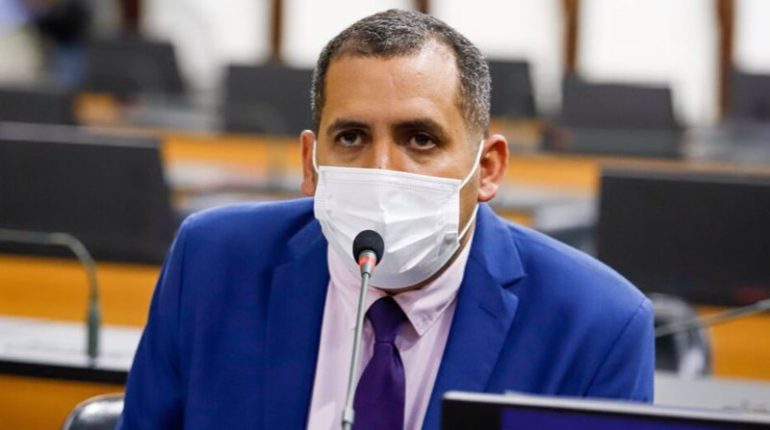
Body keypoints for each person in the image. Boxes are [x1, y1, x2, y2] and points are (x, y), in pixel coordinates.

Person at [119, 9, 654, 430]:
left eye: (420, 139)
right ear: (310, 163)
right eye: (351, 137)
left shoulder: (598, 324)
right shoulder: (212, 264)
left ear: (488, 168)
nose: (381, 169)